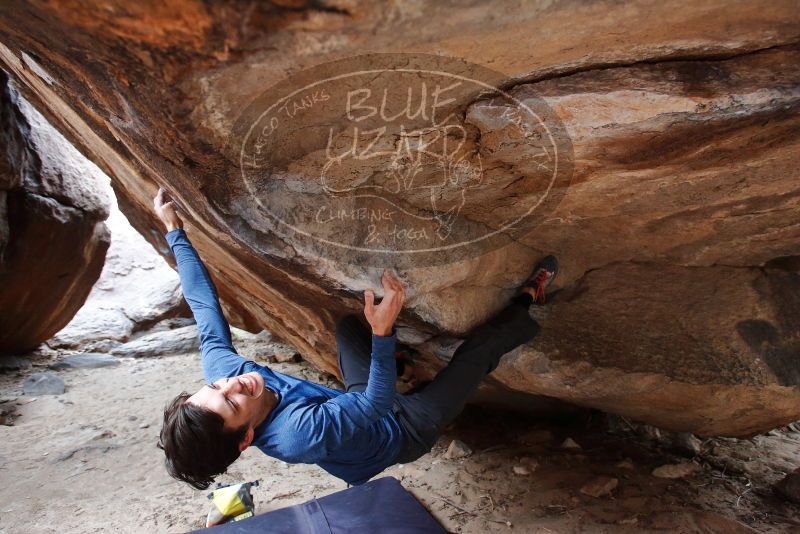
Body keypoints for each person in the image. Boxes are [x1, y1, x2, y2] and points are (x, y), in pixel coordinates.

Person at [154, 188, 558, 490]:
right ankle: (529, 297)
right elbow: (375, 404)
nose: (231, 383)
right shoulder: (298, 436)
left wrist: (175, 232)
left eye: (215, 386)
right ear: (245, 438)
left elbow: (204, 309)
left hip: (357, 408)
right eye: (232, 402)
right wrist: (383, 333)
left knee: (349, 330)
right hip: (403, 431)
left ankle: (400, 366)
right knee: (477, 354)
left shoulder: (227, 376)